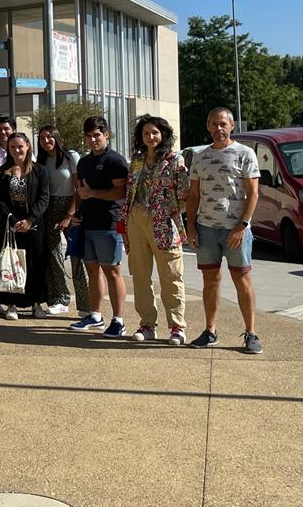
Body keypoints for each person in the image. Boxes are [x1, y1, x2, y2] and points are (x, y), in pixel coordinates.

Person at [185, 107, 262, 353]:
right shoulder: (200, 156)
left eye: (223, 124)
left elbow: (253, 194)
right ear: (208, 126)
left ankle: (251, 333)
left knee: (242, 280)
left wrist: (242, 226)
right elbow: (193, 194)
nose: (219, 128)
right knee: (210, 281)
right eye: (214, 124)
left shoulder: (244, 154)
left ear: (231, 126)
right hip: (206, 228)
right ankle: (210, 331)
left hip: (235, 230)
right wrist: (191, 227)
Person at [118, 115, 190, 345]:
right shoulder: (137, 161)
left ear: (164, 135)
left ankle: (177, 326)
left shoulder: (174, 160)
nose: (150, 137)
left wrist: (167, 210)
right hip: (136, 218)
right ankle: (147, 324)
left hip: (164, 222)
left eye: (155, 133)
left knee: (171, 275)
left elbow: (185, 195)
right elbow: (129, 191)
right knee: (140, 275)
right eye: (146, 133)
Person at [68, 116, 130, 336]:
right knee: (92, 270)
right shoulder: (84, 162)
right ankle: (95, 315)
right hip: (87, 223)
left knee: (112, 271)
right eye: (89, 136)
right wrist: (76, 213)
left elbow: (121, 192)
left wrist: (92, 193)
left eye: (97, 135)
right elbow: (80, 192)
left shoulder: (116, 161)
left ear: (106, 135)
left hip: (109, 224)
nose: (93, 139)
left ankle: (119, 320)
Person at [0, 132, 50, 319]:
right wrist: (13, 219)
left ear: (27, 146)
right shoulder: (2, 171)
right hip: (11, 224)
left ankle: (36, 303)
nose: (17, 150)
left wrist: (30, 219)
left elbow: (44, 197)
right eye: (12, 147)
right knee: (12, 262)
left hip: (33, 224)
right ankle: (12, 305)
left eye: (20, 146)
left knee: (35, 263)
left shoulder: (39, 170)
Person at [37, 126, 88, 315]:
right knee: (53, 255)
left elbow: (79, 189)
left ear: (57, 137)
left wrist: (69, 215)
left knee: (77, 256)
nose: (46, 141)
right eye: (42, 138)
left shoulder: (71, 156)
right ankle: (60, 298)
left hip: (71, 207)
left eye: (49, 137)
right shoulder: (41, 160)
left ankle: (85, 305)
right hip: (48, 207)